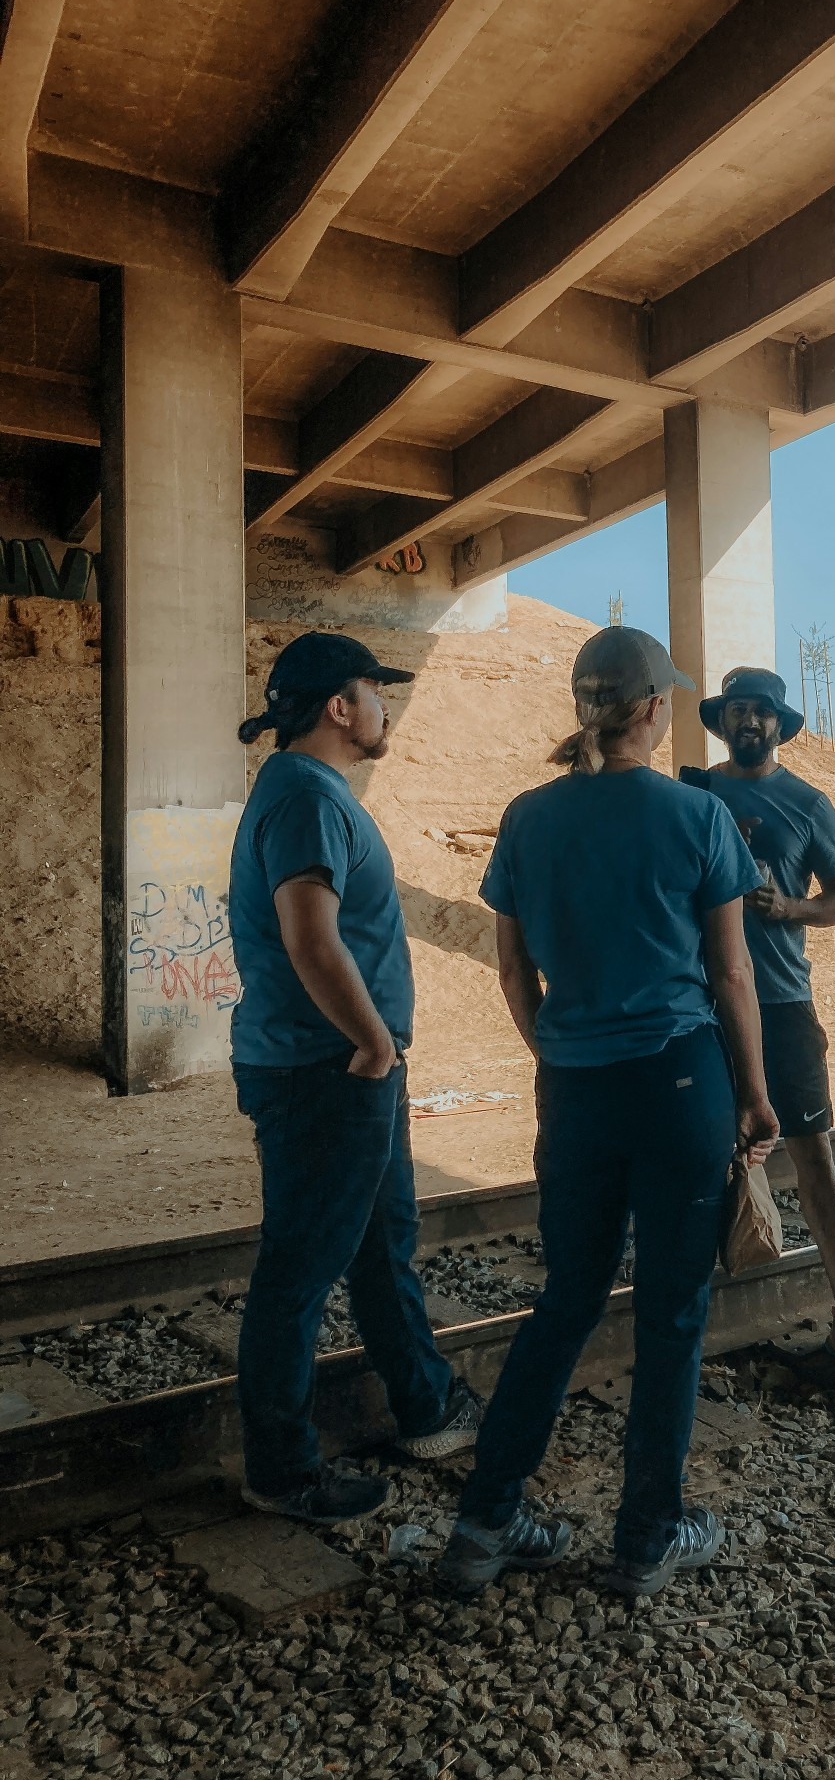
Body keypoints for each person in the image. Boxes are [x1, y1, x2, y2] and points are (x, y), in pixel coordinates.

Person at [437, 627, 779, 1601]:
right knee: (672, 1313)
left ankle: (485, 1521)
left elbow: (512, 966)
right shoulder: (695, 815)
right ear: (651, 708)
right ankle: (644, 1537)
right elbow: (731, 971)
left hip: (575, 1089)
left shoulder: (526, 816)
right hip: (679, 1083)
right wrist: (754, 1094)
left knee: (567, 1300)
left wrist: (555, 1048)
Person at [229, 633, 481, 1524]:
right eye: (375, 690)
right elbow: (309, 935)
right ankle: (283, 1470)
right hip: (325, 1070)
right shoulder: (304, 796)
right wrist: (374, 1044)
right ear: (340, 707)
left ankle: (426, 1409)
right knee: (300, 1270)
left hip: (339, 1068)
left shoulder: (310, 792)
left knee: (380, 1246)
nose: (385, 706)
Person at [686, 667, 835, 1380]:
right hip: (698, 1002)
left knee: (813, 1157)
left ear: (780, 723)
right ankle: (687, 1316)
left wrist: (791, 910)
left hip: (780, 1001)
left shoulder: (809, 803)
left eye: (761, 712)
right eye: (737, 710)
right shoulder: (694, 792)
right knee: (690, 1159)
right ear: (722, 722)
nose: (749, 721)